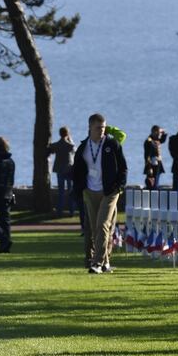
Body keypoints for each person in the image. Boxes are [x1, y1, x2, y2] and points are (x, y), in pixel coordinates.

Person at [72, 113, 127, 274]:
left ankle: (96, 263)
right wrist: (80, 189)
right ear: (90, 127)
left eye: (103, 127)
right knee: (96, 228)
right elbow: (77, 171)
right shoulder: (83, 147)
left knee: (102, 224)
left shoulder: (112, 144)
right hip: (90, 191)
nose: (101, 131)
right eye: (98, 128)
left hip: (109, 191)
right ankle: (106, 263)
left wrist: (119, 186)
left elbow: (123, 167)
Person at [47, 126, 76, 216]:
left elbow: (50, 149)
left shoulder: (56, 145)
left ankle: (60, 210)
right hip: (69, 170)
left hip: (60, 170)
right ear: (67, 134)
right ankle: (72, 210)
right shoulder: (70, 145)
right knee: (70, 190)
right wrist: (70, 139)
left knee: (61, 191)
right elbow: (75, 150)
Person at [144, 125, 167, 189]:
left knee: (156, 183)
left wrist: (163, 132)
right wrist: (149, 167)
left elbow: (163, 140)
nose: (160, 134)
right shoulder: (149, 141)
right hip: (152, 165)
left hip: (157, 164)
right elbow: (147, 155)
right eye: (159, 132)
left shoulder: (156, 140)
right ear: (154, 132)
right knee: (152, 184)